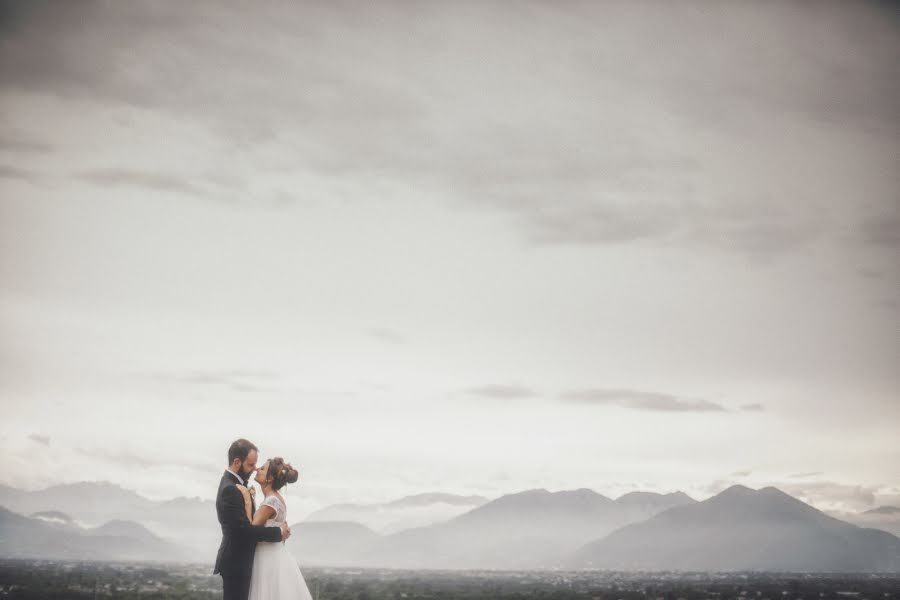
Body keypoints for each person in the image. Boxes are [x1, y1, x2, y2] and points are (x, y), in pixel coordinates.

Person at [214, 439, 291, 600]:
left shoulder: (235, 485)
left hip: (243, 561)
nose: (255, 468)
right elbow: (243, 531)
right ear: (237, 462)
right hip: (236, 563)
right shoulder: (230, 489)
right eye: (251, 465)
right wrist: (278, 532)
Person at [247, 456, 313, 600]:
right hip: (276, 555)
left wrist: (247, 502)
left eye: (262, 469)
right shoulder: (276, 498)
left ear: (269, 478)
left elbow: (250, 531)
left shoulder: (270, 502)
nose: (257, 469)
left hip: (267, 558)